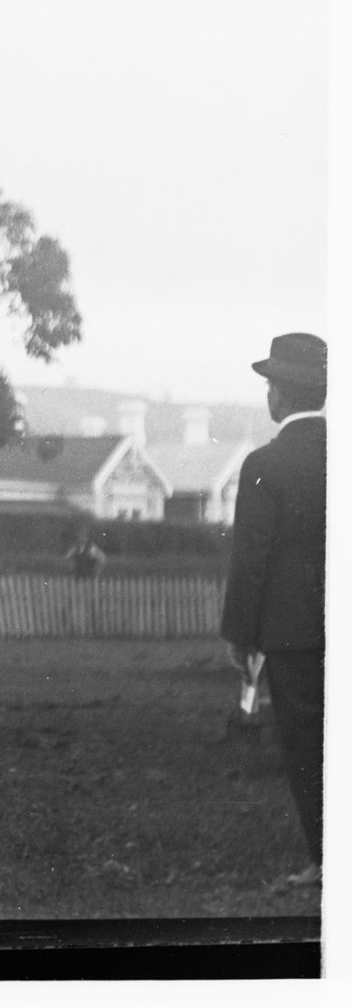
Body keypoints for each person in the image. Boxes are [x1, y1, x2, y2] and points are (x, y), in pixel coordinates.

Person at [221, 331, 326, 892]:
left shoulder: (265, 463)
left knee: (308, 748)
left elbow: (251, 559)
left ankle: (326, 861)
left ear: (280, 394)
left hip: (292, 634)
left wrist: (240, 636)